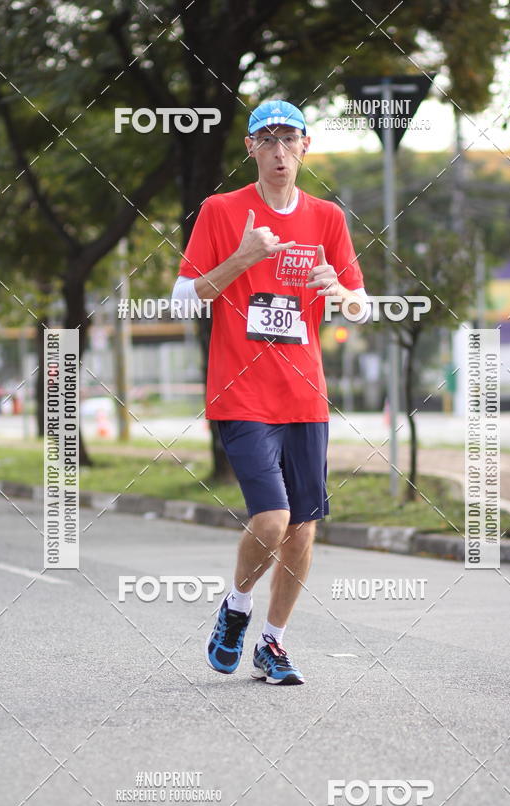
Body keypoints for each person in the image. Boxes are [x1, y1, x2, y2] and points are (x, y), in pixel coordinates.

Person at [172, 99, 368, 685]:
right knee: (272, 518)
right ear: (251, 149)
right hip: (242, 393)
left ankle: (273, 643)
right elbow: (185, 300)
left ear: (305, 147)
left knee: (304, 528)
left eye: (290, 140)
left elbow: (359, 308)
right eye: (268, 140)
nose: (280, 152)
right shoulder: (220, 210)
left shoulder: (328, 218)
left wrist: (339, 289)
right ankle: (235, 607)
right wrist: (242, 257)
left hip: (305, 395)